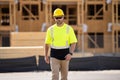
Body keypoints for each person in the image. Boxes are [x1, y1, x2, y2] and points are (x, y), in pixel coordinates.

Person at [44, 8, 77, 80]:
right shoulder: (50, 29)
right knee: (55, 76)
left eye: (60, 17)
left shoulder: (69, 28)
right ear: (54, 18)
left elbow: (73, 42)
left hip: (65, 56)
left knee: (64, 77)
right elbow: (47, 44)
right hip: (54, 56)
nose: (58, 19)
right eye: (57, 17)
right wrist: (46, 55)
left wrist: (70, 53)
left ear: (63, 17)